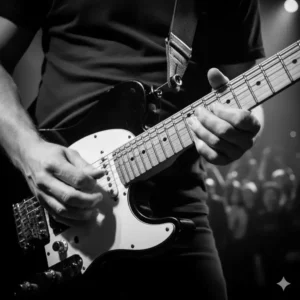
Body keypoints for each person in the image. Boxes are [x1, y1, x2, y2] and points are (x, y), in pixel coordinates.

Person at [0, 0, 265, 299]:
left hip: (175, 206)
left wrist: (240, 127)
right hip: (51, 196)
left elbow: (245, 91)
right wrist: (27, 151)